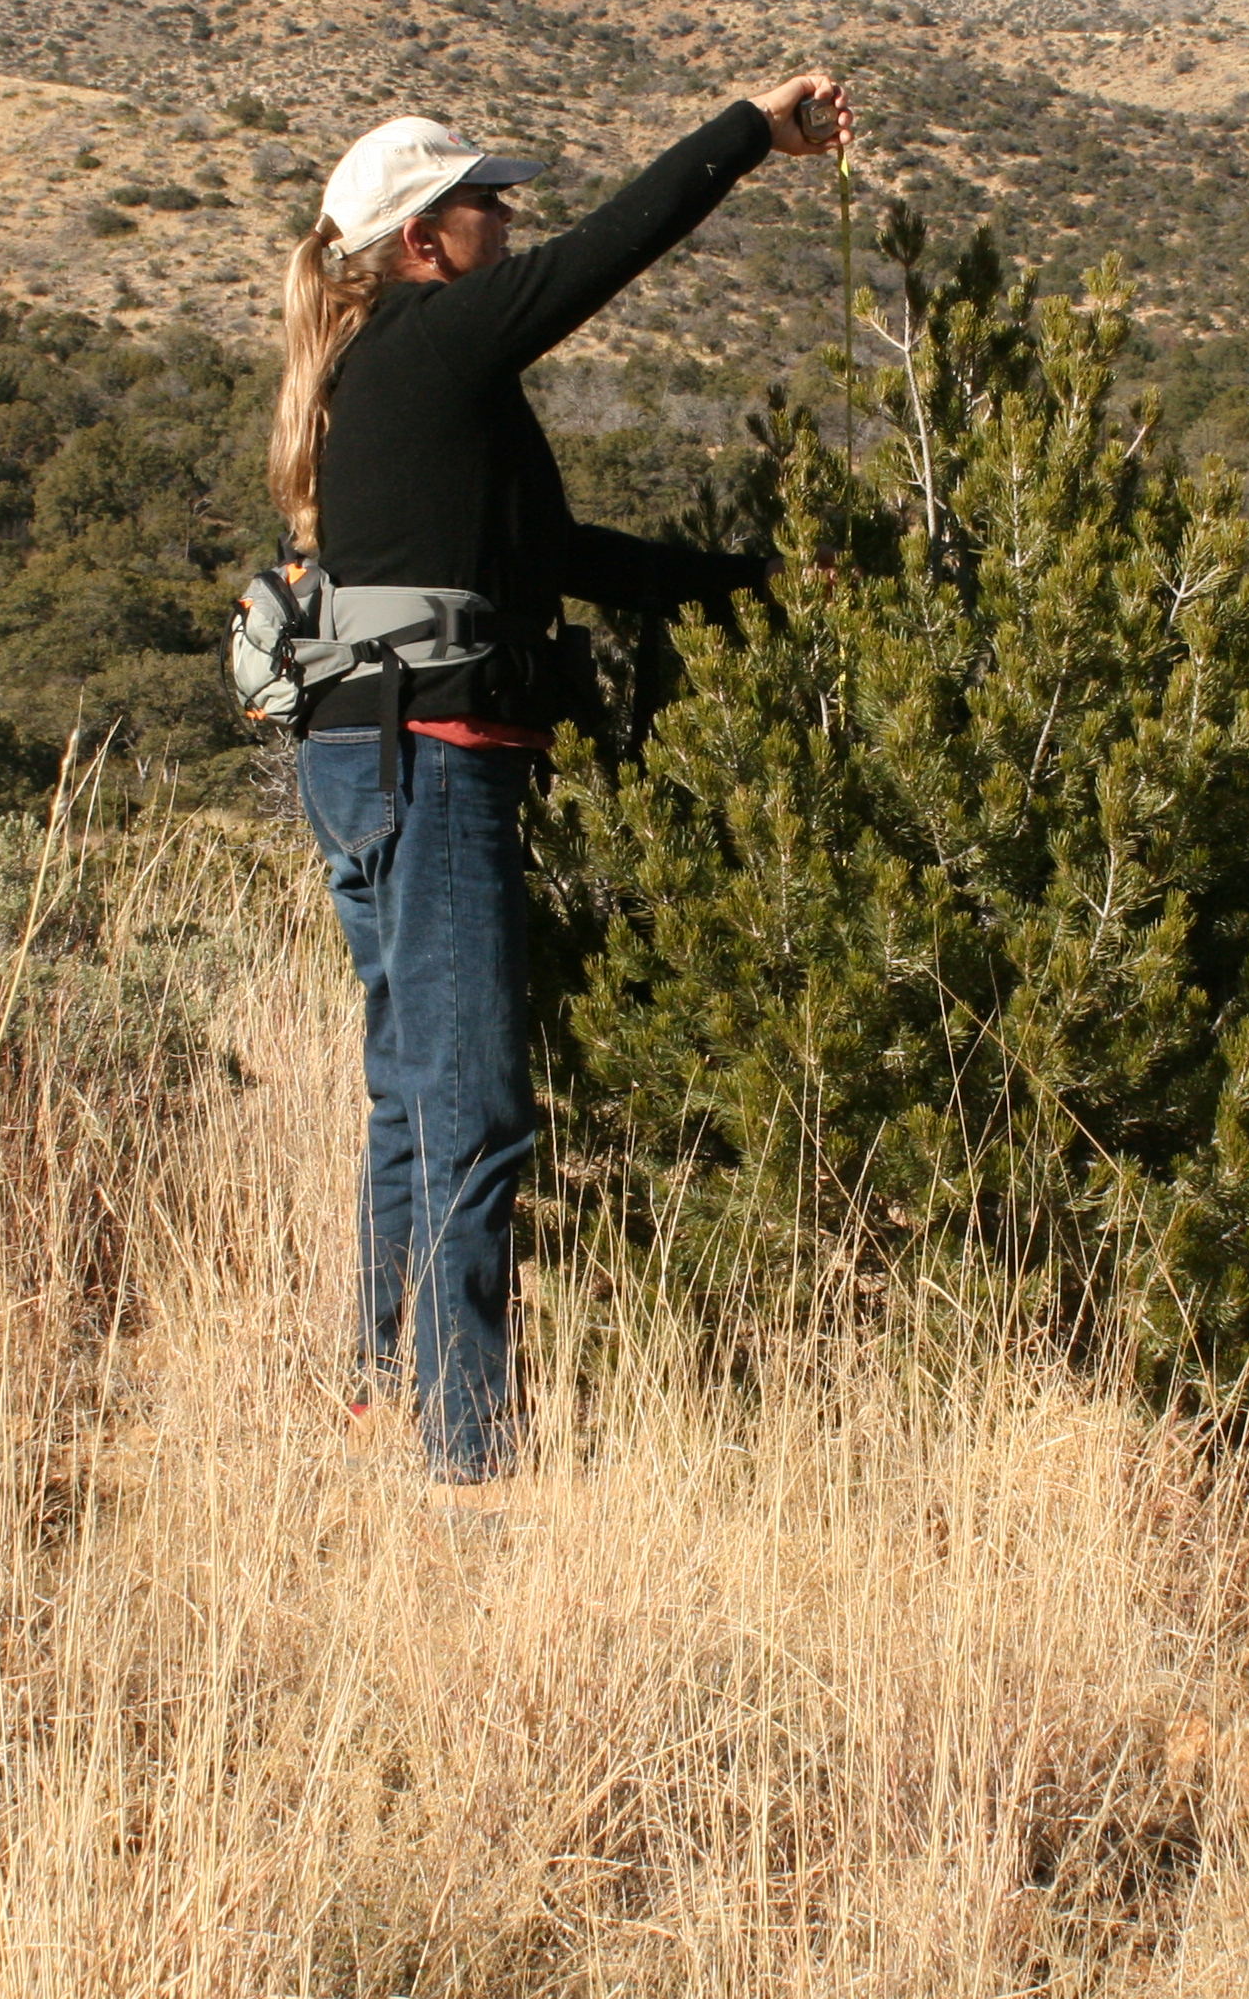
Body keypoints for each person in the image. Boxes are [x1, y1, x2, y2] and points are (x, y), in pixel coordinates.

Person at [273, 75, 852, 1489]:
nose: (508, 219)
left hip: (362, 757)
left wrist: (761, 588)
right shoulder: (434, 338)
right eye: (484, 201)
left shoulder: (387, 377)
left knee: (415, 1092)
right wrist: (745, 133)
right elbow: (607, 252)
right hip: (435, 760)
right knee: (470, 1107)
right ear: (423, 239)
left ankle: (382, 1391)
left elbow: (563, 554)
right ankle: (466, 1455)